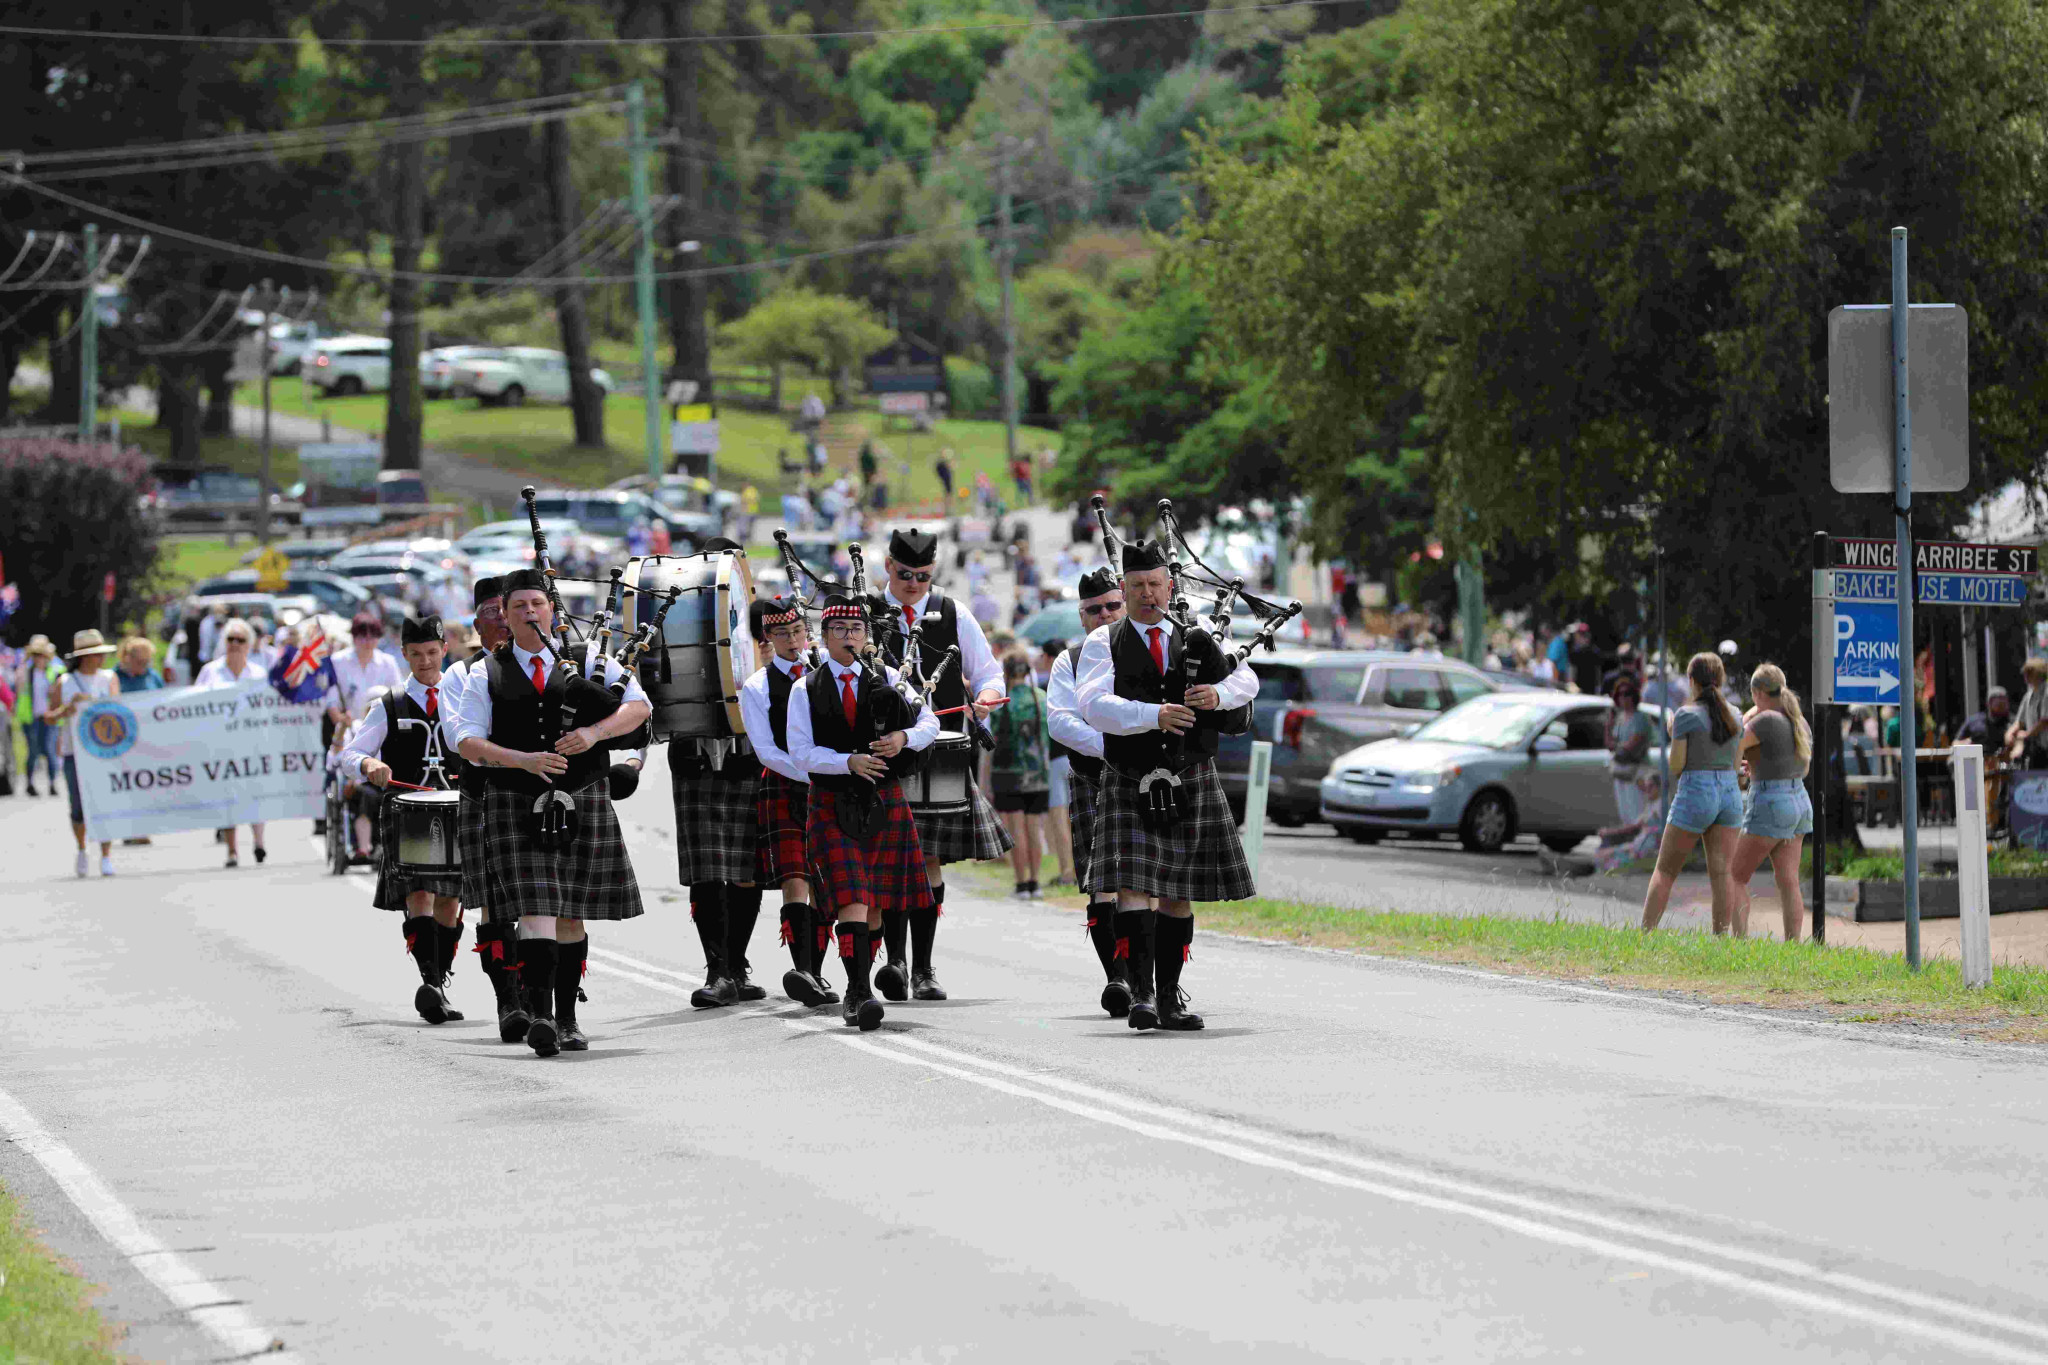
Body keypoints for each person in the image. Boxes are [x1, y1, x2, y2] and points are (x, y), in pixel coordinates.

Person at [451, 569, 653, 1058]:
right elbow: (465, 739)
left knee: (570, 917)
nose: (529, 612)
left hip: (581, 796)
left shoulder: (586, 660)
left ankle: (567, 1020)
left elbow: (640, 706)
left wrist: (594, 734)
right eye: (518, 605)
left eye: (537, 603)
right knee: (537, 913)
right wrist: (521, 759)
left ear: (551, 609)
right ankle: (541, 1015)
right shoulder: (486, 671)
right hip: (516, 799)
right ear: (504, 614)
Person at [1076, 540, 1262, 1031]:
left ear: (1170, 585)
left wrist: (1216, 694)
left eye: (1155, 584)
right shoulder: (1103, 642)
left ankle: (1168, 1000)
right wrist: (1152, 715)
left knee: (1179, 893)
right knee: (1134, 889)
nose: (1147, 593)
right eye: (1136, 585)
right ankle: (1139, 996)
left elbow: (1248, 682)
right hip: (1131, 776)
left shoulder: (1196, 633)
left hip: (1191, 775)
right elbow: (1092, 704)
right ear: (1124, 588)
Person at [867, 526, 1013, 1001]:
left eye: (923, 575)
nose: (913, 583)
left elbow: (989, 672)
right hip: (881, 759)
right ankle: (894, 961)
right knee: (889, 862)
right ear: (888, 566)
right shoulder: (866, 614)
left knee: (929, 859)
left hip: (942, 756)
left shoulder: (952, 612)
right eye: (905, 573)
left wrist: (987, 698)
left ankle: (924, 969)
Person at [784, 593, 940, 1031]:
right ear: (825, 636)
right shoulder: (806, 687)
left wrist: (901, 739)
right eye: (839, 630)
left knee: (873, 906)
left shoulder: (889, 675)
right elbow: (799, 752)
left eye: (855, 629)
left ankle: (858, 984)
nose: (848, 637)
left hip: (884, 801)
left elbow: (929, 723)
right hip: (834, 800)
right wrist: (847, 762)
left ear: (866, 635)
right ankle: (859, 992)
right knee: (853, 896)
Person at [340, 617, 470, 1023]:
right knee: (420, 897)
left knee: (450, 903)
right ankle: (429, 982)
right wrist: (369, 763)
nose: (426, 661)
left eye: (432, 652)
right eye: (416, 654)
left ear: (443, 650)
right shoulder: (389, 703)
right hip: (409, 810)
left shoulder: (466, 694)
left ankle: (440, 981)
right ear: (405, 655)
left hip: (458, 808)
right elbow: (349, 755)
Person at [669, 539, 773, 1011]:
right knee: (708, 871)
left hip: (747, 755)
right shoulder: (673, 620)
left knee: (747, 870)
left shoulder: (762, 619)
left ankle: (737, 962)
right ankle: (716, 969)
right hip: (696, 756)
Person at [438, 577, 529, 1041]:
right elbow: (464, 743)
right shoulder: (459, 675)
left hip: (536, 795)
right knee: (496, 908)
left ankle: (540, 996)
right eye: (493, 611)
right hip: (488, 795)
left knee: (539, 903)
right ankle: (508, 1003)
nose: (505, 620)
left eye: (508, 609)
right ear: (478, 623)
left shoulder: (546, 665)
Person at [739, 595, 837, 1008]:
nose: (793, 641)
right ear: (768, 638)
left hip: (831, 787)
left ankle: (815, 970)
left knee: (824, 882)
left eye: (798, 631)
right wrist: (813, 770)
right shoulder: (757, 687)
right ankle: (803, 970)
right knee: (795, 878)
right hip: (787, 785)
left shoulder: (825, 674)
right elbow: (766, 750)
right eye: (782, 634)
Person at [1047, 567, 1128, 1016]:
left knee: (1148, 883)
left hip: (1146, 782)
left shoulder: (1147, 652)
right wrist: (1113, 748)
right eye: (1093, 610)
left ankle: (1148, 981)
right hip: (1095, 777)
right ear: (1081, 617)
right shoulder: (1070, 660)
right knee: (1103, 886)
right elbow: (1060, 721)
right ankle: (1117, 978)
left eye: (1112, 605)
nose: (1104, 615)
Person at [1640, 653, 1745, 934]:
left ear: (1691, 681)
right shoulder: (1736, 715)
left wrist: (1673, 730)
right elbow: (1736, 766)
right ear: (1720, 680)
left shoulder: (1685, 715)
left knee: (1665, 870)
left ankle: (1645, 936)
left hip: (1696, 792)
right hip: (1729, 794)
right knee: (1722, 873)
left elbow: (1676, 766)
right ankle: (1721, 940)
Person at [1726, 662, 1815, 940]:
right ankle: (1793, 945)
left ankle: (1738, 944)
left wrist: (1741, 772)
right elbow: (1802, 767)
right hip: (1799, 801)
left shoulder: (1764, 721)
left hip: (1772, 802)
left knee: (1735, 876)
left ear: (1756, 692)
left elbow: (1735, 745)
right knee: (1788, 880)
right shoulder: (1797, 720)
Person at [197, 620, 270, 868]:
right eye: (231, 640)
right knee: (228, 797)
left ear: (249, 645)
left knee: (255, 794)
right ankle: (232, 851)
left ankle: (259, 843)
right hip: (222, 744)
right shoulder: (210, 672)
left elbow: (269, 709)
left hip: (253, 743)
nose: (235, 645)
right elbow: (194, 705)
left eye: (240, 640)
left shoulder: (259, 674)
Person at [47, 630, 118, 878]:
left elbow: (120, 710)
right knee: (77, 805)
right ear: (85, 657)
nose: (100, 659)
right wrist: (68, 709)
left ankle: (107, 854)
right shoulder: (64, 683)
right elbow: (49, 716)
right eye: (96, 655)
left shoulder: (108, 678)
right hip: (73, 751)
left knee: (105, 802)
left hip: (103, 750)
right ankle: (81, 847)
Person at [989, 649, 1051, 899]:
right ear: (1028, 671)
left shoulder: (1000, 701)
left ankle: (1021, 883)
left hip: (1007, 772)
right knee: (1034, 828)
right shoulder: (1041, 697)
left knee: (1016, 829)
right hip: (1037, 773)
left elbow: (991, 738)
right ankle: (1036, 882)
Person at [327, 614, 405, 756]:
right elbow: (332, 702)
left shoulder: (388, 662)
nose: (368, 641)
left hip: (383, 733)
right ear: (353, 637)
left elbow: (399, 698)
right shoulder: (337, 661)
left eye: (373, 636)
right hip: (348, 733)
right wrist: (344, 725)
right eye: (363, 636)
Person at [16, 635, 63, 797]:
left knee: (50, 751)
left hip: (50, 717)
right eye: (36, 655)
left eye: (41, 655)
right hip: (31, 717)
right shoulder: (25, 672)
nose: (39, 658)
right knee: (33, 751)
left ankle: (52, 783)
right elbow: (19, 691)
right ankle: (29, 783)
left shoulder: (56, 672)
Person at [1605, 678, 1654, 824]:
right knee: (1624, 811)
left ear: (1634, 696)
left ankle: (1640, 843)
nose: (1623, 697)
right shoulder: (1620, 718)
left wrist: (1617, 745)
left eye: (1626, 693)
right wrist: (1608, 726)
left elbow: (1632, 744)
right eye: (1619, 694)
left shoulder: (1641, 718)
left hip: (1637, 769)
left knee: (1637, 810)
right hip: (1621, 769)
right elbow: (1609, 744)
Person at [2009, 660, 2048, 768]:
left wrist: (2027, 734)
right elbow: (2020, 721)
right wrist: (2010, 733)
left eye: (2029, 673)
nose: (2026, 678)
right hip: (2036, 751)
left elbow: (2045, 721)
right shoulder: (2028, 696)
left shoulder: (2046, 693)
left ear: (2038, 674)